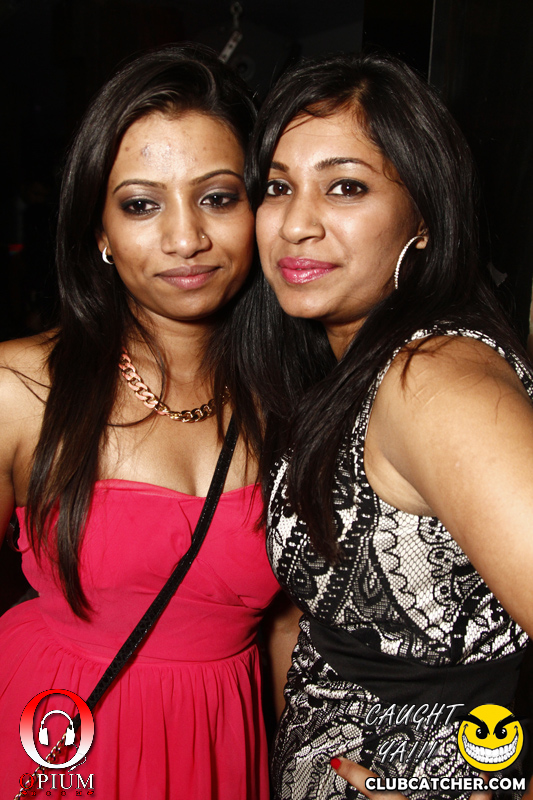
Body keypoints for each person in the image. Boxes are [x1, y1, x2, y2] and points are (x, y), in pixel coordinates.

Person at [245, 52, 533, 799]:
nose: (296, 224)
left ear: (425, 219)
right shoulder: (344, 371)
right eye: (277, 186)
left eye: (346, 186)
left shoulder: (433, 381)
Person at [0, 44, 281, 799]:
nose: (185, 239)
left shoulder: (295, 404)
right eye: (140, 204)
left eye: (217, 197)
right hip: (51, 745)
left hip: (221, 752)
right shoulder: (19, 389)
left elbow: (289, 628)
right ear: (98, 229)